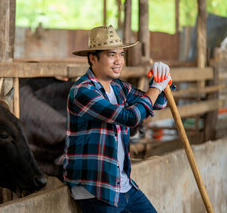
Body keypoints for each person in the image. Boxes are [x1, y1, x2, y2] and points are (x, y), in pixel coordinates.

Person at [63, 25, 174, 213]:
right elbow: (131, 117)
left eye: (121, 55)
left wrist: (162, 80)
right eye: (111, 55)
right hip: (96, 188)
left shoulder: (118, 87)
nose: (119, 61)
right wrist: (156, 87)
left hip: (123, 184)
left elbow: (156, 103)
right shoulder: (83, 90)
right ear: (93, 58)